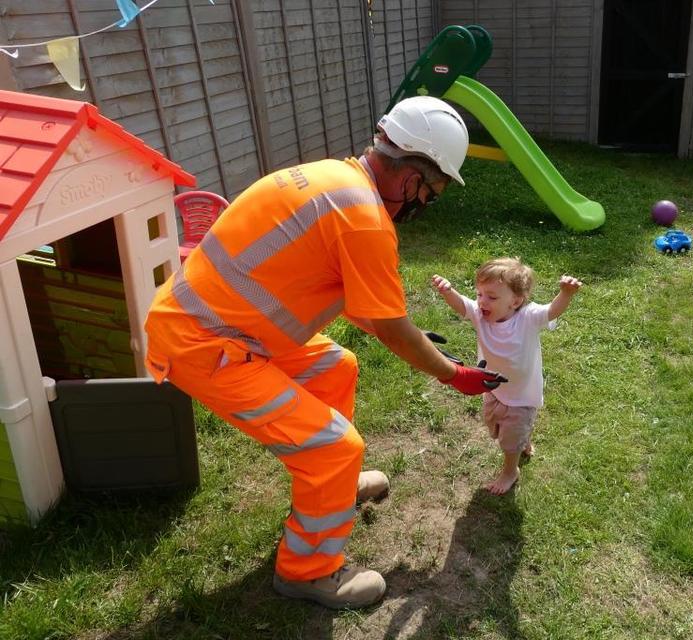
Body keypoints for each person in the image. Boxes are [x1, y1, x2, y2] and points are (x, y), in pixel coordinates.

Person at [143, 96, 507, 610]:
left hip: (220, 323)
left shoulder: (334, 178)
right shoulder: (365, 220)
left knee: (337, 366)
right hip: (206, 345)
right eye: (433, 192)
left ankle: (334, 488)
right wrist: (452, 374)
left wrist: (406, 329)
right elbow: (389, 327)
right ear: (411, 180)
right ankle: (308, 572)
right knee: (336, 447)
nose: (426, 204)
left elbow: (363, 302)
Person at [431, 258, 583, 495]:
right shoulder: (480, 315)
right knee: (496, 427)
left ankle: (511, 471)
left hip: (522, 395)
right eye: (480, 294)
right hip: (492, 387)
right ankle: (523, 438)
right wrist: (447, 291)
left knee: (509, 441)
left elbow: (552, 311)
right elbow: (462, 305)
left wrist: (566, 293)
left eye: (491, 297)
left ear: (516, 301)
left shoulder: (528, 317)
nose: (482, 301)